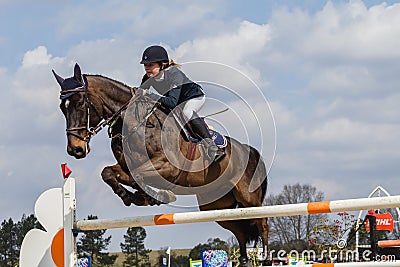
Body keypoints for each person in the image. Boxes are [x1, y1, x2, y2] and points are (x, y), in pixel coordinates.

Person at [138, 45, 225, 162]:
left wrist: (150, 96)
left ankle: (212, 147)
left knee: (187, 112)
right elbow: (139, 95)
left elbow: (172, 102)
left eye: (150, 65)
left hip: (194, 97)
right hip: (177, 101)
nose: (147, 68)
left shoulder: (174, 74)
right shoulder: (147, 77)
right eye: (145, 65)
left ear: (162, 65)